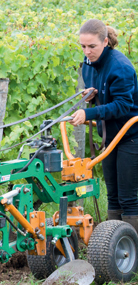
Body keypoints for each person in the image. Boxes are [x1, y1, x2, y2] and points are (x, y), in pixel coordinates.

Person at [70, 19, 138, 231]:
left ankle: (131, 247)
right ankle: (115, 242)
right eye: (83, 46)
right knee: (113, 194)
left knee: (128, 196)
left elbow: (123, 105)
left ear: (105, 42)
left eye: (92, 46)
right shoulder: (89, 63)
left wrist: (88, 112)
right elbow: (101, 88)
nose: (87, 52)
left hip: (130, 135)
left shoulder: (120, 67)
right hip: (109, 136)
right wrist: (91, 93)